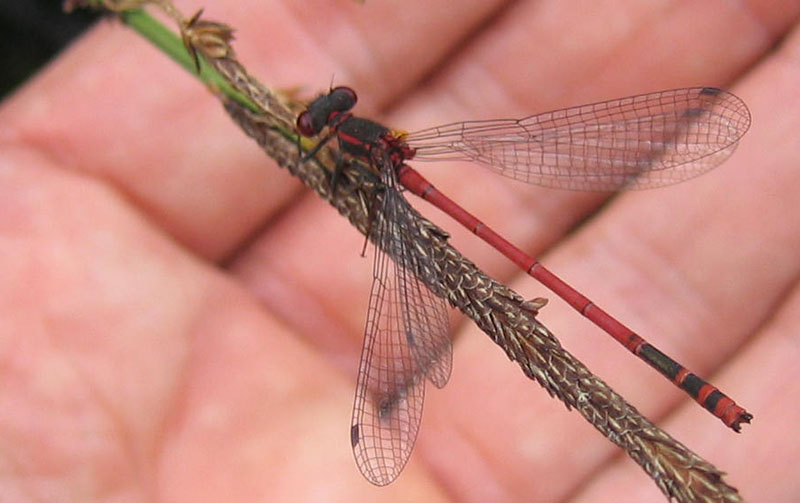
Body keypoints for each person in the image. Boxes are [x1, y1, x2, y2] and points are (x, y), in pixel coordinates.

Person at [1, 1, 798, 501]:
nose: (319, 114)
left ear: (333, 131)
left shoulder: (347, 155)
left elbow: (333, 173)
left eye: (322, 115)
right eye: (321, 117)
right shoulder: (379, 147)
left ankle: (701, 402)